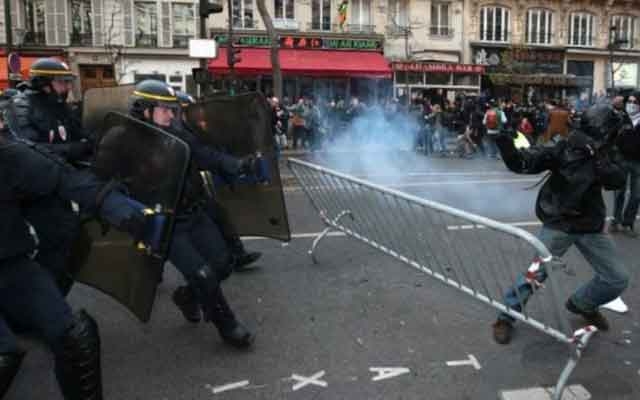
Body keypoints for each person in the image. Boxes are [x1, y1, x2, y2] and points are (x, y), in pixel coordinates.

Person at [0, 117, 166, 399]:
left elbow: (61, 177)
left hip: (9, 262)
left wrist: (115, 206)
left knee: (76, 338)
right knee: (4, 356)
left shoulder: (8, 154)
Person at [128, 80, 254, 348]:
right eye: (164, 110)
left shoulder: (178, 134)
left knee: (223, 264)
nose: (171, 115)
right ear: (145, 111)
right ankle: (228, 325)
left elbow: (205, 154)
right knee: (202, 275)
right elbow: (109, 177)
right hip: (167, 224)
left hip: (194, 212)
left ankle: (186, 296)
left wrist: (237, 165)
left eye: (172, 109)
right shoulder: (125, 143)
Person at [491, 104, 629, 345]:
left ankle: (582, 304)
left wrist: (596, 156)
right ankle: (506, 316)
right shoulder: (563, 148)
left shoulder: (607, 152)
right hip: (560, 223)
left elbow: (616, 180)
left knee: (616, 278)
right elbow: (522, 163)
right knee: (534, 275)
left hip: (590, 225)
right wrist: (504, 141)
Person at [174, 90, 262, 271]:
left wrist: (237, 164)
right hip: (172, 194)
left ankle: (236, 255)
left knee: (218, 215)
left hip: (190, 190)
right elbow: (205, 155)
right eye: (187, 110)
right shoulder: (175, 132)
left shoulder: (188, 129)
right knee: (163, 238)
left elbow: (209, 154)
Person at [610, 92, 640, 237]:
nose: (631, 105)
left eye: (635, 102)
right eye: (629, 102)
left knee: (636, 195)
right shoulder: (621, 119)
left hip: (638, 163)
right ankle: (615, 221)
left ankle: (628, 223)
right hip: (621, 160)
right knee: (619, 193)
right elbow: (611, 138)